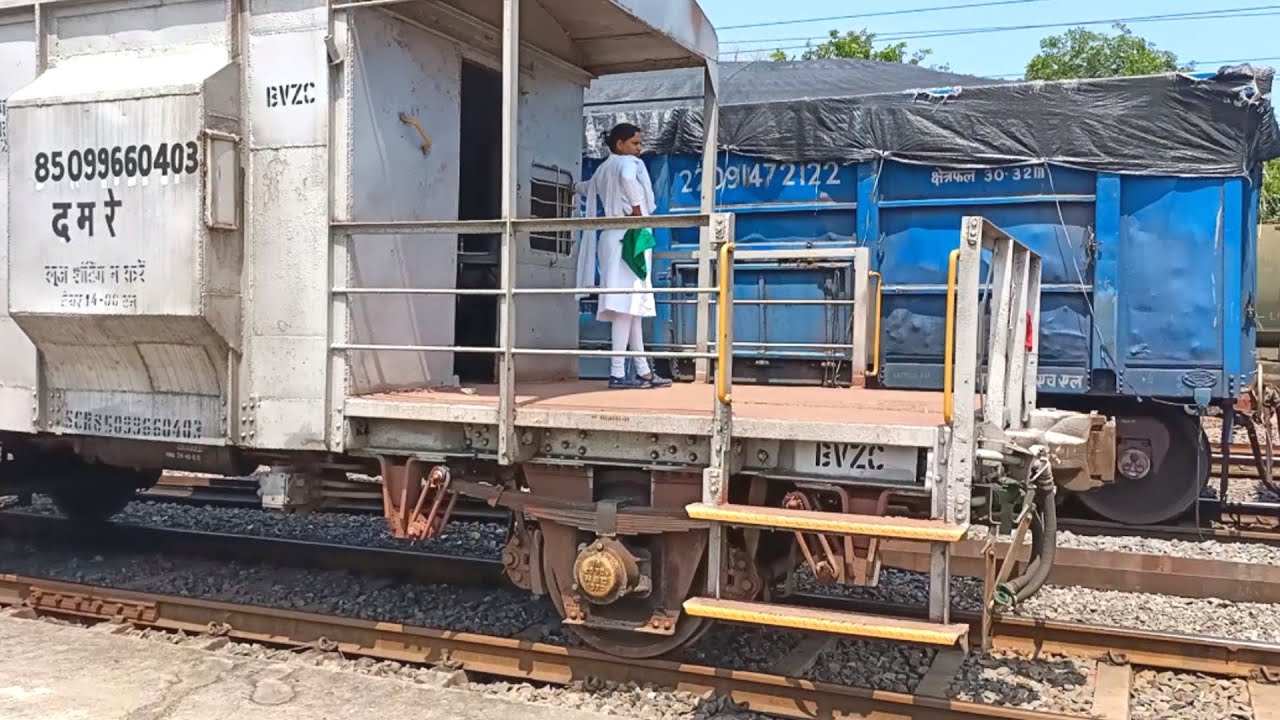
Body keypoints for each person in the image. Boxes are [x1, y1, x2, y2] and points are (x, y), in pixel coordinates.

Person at [575, 123, 672, 389]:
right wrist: (638, 211)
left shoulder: (604, 168)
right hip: (628, 235)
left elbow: (586, 188)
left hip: (611, 236)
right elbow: (629, 179)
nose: (639, 149)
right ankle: (618, 372)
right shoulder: (627, 163)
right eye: (635, 143)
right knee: (625, 306)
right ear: (620, 144)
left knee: (631, 307)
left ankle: (643, 371)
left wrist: (571, 186)